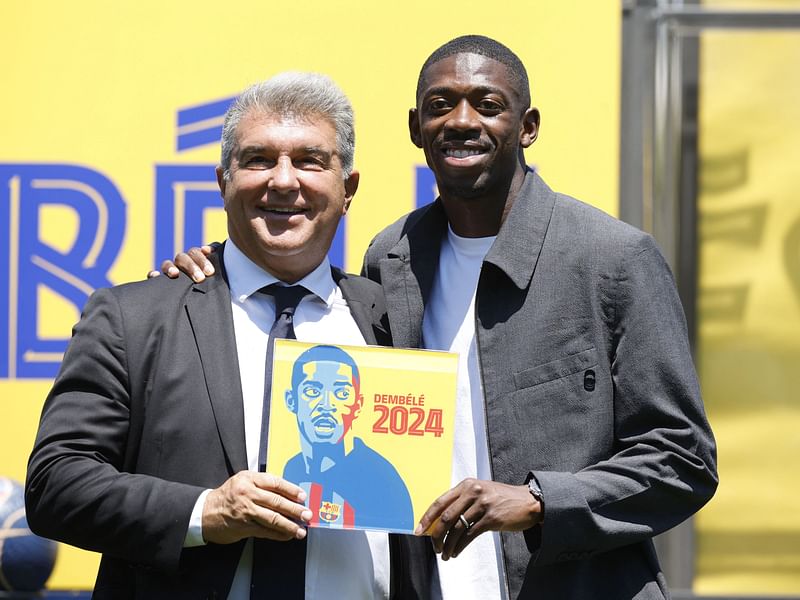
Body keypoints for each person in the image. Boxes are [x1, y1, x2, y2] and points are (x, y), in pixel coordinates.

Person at [164, 36, 718, 600]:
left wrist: (538, 501)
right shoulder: (392, 257)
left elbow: (683, 459)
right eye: (440, 105)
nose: (461, 121)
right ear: (415, 128)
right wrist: (220, 268)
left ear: (527, 127)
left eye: (487, 104)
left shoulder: (612, 258)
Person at [25, 72, 420, 599]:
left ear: (347, 189)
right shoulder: (135, 317)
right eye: (258, 159)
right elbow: (57, 484)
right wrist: (205, 512)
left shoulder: (394, 322)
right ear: (223, 181)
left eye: (309, 160)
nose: (284, 180)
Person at [282, 344, 413, 531]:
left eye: (341, 393)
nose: (327, 405)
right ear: (291, 400)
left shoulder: (383, 481)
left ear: (358, 405)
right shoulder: (289, 470)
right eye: (312, 391)